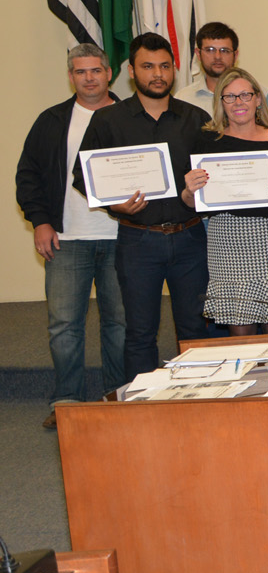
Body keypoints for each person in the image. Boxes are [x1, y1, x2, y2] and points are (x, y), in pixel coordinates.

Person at [72, 32, 211, 378]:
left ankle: (198, 406)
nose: (157, 74)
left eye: (165, 66)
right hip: (138, 241)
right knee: (139, 332)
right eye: (148, 66)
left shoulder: (195, 118)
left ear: (174, 70)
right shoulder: (108, 121)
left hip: (190, 238)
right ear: (132, 71)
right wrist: (113, 206)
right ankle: (142, 413)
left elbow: (212, 174)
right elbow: (82, 176)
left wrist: (198, 193)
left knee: (194, 329)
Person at [16, 44, 124, 429]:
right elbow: (27, 175)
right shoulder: (52, 120)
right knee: (64, 324)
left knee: (119, 322)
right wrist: (40, 221)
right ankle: (67, 401)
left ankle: (118, 397)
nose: (89, 78)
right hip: (66, 238)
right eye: (81, 72)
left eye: (96, 70)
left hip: (121, 237)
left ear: (109, 72)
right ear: (71, 76)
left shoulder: (131, 116)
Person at [181, 68, 268, 335]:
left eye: (244, 95)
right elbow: (191, 202)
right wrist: (190, 191)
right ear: (220, 103)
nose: (238, 103)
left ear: (258, 99)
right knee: (241, 328)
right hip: (228, 238)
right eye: (229, 97)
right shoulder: (206, 141)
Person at [177, 22, 239, 110]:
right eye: (210, 50)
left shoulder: (256, 95)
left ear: (235, 55)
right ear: (198, 54)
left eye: (224, 50)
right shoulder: (183, 99)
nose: (218, 57)